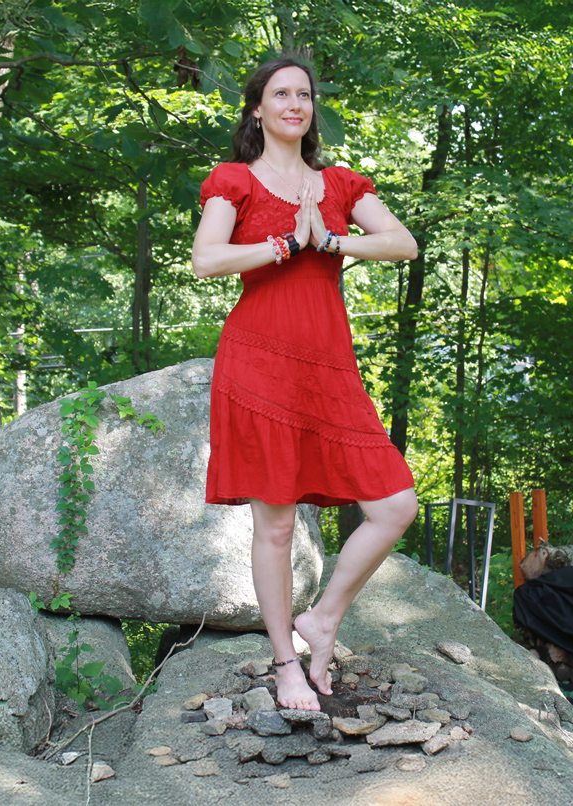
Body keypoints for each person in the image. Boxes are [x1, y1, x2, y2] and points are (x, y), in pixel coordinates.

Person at [191, 57, 419, 712]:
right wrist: (286, 244)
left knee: (394, 505)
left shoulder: (341, 184)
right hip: (258, 364)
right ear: (256, 108)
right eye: (280, 93)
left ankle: (321, 619)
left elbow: (402, 243)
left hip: (329, 369)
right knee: (278, 526)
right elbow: (206, 259)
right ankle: (286, 663)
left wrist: (332, 241)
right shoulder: (234, 181)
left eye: (305, 94)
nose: (295, 102)